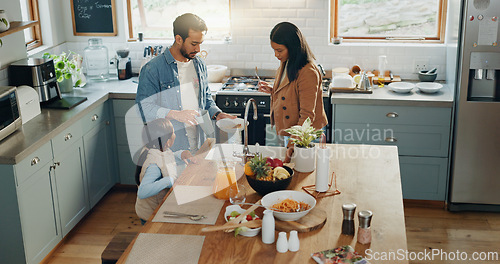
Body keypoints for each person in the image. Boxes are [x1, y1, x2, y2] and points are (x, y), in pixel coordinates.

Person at [136, 13, 235, 162]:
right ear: (178, 39)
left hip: (200, 145)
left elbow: (206, 99)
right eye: (194, 44)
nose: (198, 48)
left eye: (200, 43)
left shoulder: (199, 64)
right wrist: (174, 114)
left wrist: (217, 114)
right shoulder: (153, 69)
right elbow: (143, 108)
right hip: (172, 150)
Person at [258, 22, 328, 161]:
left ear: (293, 47)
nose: (276, 55)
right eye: (274, 50)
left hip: (305, 135)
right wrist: (274, 90)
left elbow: (307, 116)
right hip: (292, 130)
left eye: (279, 50)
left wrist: (292, 143)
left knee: (303, 174)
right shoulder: (288, 61)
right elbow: (292, 92)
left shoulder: (308, 71)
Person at [135, 118, 179, 224]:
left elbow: (166, 157)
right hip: (151, 214)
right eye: (173, 133)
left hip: (154, 208)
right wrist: (169, 181)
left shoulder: (154, 148)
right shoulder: (154, 165)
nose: (175, 135)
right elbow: (142, 191)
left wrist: (181, 154)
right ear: (168, 142)